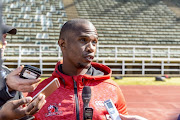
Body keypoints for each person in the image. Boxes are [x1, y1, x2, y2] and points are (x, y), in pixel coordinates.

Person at [28, 19, 147, 120]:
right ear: (63, 44)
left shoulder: (111, 89)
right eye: (83, 40)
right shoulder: (40, 92)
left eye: (94, 42)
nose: (91, 48)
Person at [0, 23, 41, 107]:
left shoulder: (9, 73)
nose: (4, 43)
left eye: (4, 37)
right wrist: (7, 87)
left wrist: (27, 112)